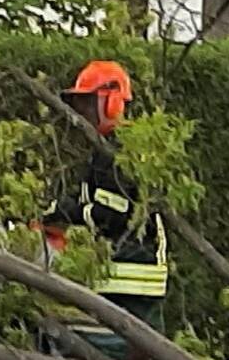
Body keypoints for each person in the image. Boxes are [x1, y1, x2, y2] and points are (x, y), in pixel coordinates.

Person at [41, 60, 169, 324]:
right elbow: (92, 201)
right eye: (79, 105)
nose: (82, 112)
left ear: (112, 103)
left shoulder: (121, 151)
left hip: (130, 276)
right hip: (116, 272)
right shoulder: (105, 150)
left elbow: (110, 215)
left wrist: (66, 213)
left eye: (89, 104)